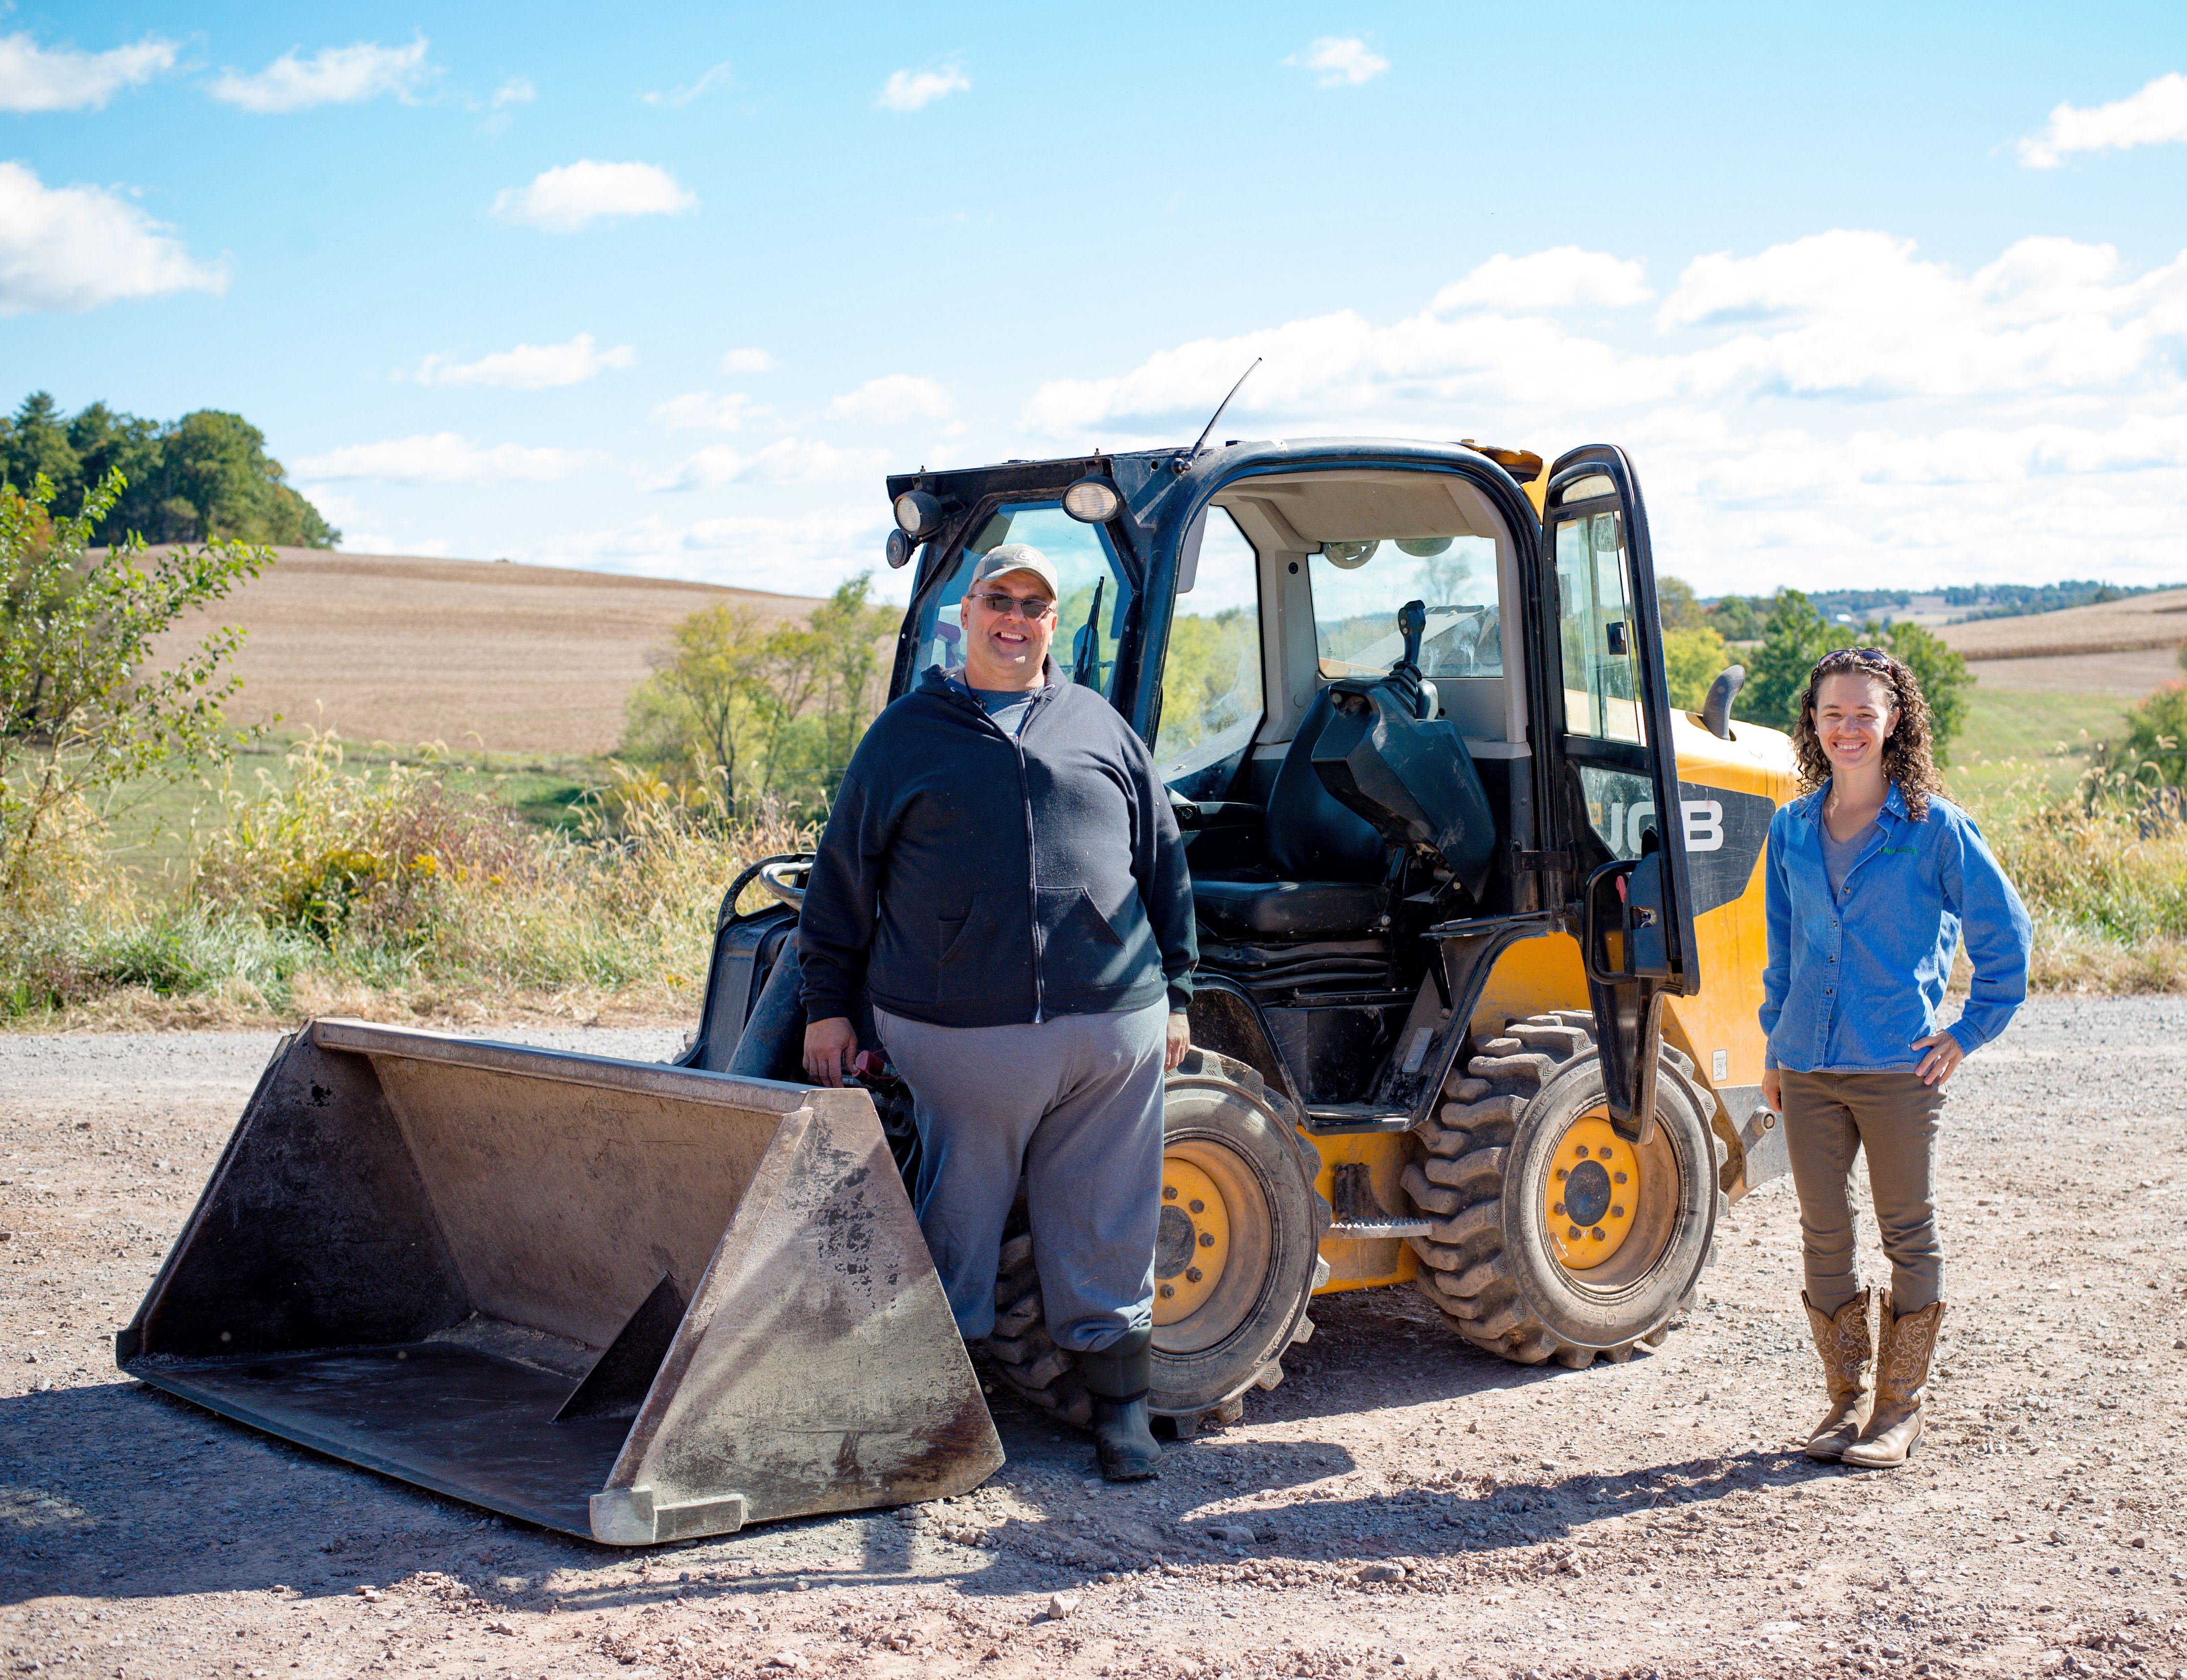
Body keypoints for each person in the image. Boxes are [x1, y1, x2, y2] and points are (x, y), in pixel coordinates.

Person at [796, 543, 1197, 1481]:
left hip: (1113, 1025)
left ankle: (1122, 1415)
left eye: (1035, 607)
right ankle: (937, 1418)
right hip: (958, 1034)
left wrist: (1175, 991)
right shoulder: (907, 735)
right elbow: (842, 881)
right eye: (999, 601)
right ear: (965, 614)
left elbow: (1162, 864)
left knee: (1110, 1218)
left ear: (1053, 624)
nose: (1016, 620)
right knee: (955, 1224)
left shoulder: (1097, 725)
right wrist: (826, 1008)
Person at [1760, 645, 2031, 1469]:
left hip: (1896, 1068)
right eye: (1831, 713)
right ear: (1812, 721)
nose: (1846, 728)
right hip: (1806, 1062)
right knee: (1821, 1232)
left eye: (1863, 714)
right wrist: (1774, 1046)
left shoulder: (1933, 829)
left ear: (1894, 721)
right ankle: (1842, 1406)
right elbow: (1783, 949)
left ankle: (1896, 1412)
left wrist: (1968, 1030)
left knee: (1906, 1233)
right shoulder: (1790, 828)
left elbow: (2005, 937)